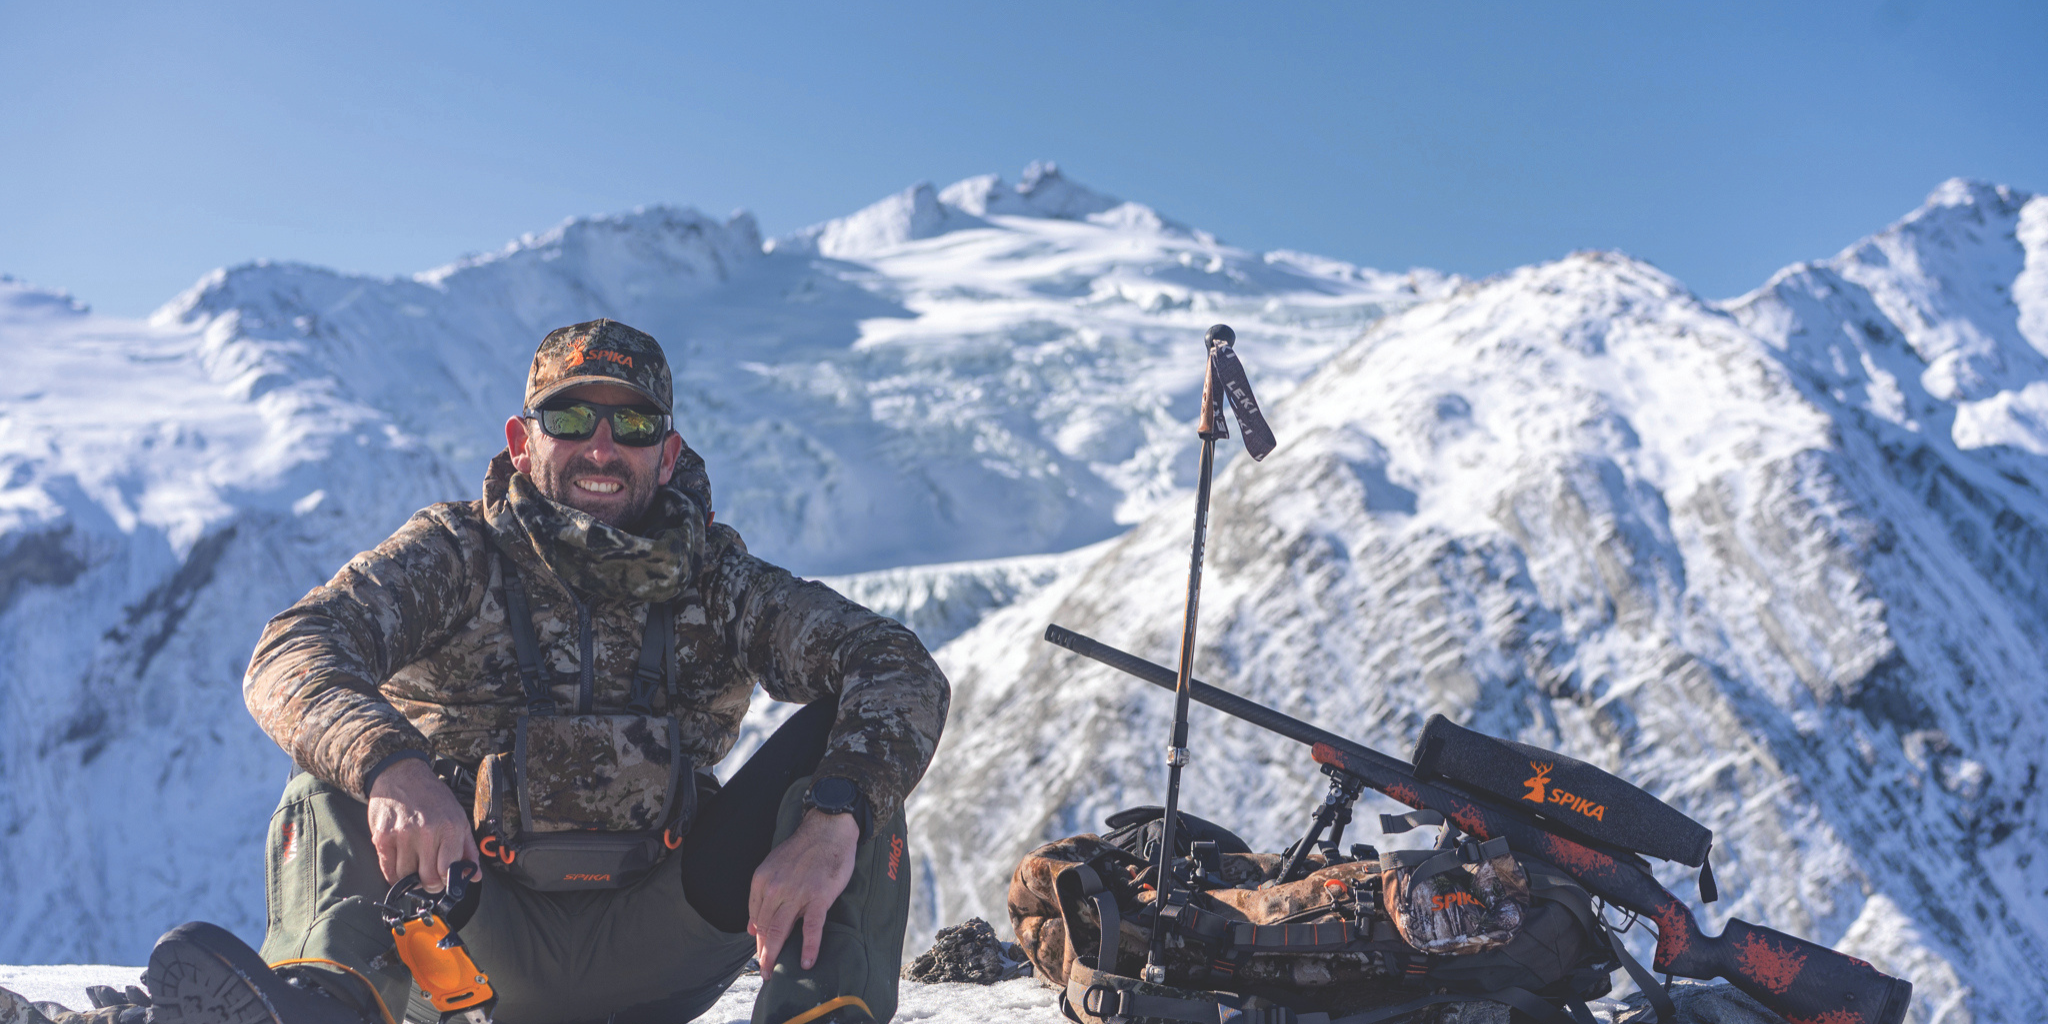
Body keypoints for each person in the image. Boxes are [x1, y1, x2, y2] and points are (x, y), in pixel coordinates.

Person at [131, 320, 950, 1024]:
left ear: (667, 455)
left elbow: (897, 665)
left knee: (851, 756)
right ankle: (328, 1002)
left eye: (631, 424)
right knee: (336, 763)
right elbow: (292, 647)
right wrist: (395, 767)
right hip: (462, 940)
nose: (602, 445)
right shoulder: (453, 554)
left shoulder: (719, 581)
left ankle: (821, 1009)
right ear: (524, 442)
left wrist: (831, 820)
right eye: (570, 416)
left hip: (666, 943)